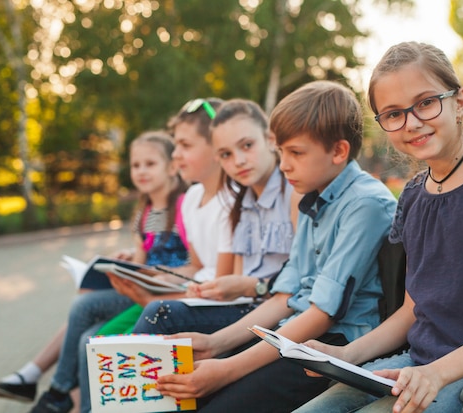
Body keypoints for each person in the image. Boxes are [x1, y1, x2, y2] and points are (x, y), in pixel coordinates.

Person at [292, 41, 463, 413]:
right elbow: (413, 309)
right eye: (393, 114)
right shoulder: (412, 194)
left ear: (459, 101)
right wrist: (344, 354)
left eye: (426, 102)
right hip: (418, 364)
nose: (411, 122)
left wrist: (437, 374)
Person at [153, 80, 397, 412]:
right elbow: (285, 297)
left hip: (332, 347)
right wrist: (215, 344)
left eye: (295, 153)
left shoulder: (364, 204)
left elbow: (323, 314)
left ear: (339, 151)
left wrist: (227, 369)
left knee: (214, 402)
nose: (283, 165)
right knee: (185, 392)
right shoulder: (314, 197)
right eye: (281, 151)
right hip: (291, 335)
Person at [0, 130, 191, 413]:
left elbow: (196, 259)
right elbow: (144, 258)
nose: (141, 171)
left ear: (171, 166)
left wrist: (156, 272)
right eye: (135, 165)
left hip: (165, 290)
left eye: (150, 164)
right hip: (140, 287)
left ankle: (57, 390)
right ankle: (60, 393)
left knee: (83, 307)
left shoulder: (183, 205)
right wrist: (127, 261)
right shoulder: (144, 211)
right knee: (87, 337)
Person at [74, 98, 235, 413]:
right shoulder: (191, 201)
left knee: (140, 319)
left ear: (216, 146)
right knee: (92, 340)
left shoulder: (230, 202)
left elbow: (224, 283)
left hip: (200, 301)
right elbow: (199, 267)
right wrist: (152, 278)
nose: (175, 155)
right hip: (182, 292)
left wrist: (153, 292)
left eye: (184, 145)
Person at [131, 98, 300, 336]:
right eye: (226, 154)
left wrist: (247, 288)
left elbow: (299, 283)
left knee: (159, 315)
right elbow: (236, 278)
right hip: (249, 308)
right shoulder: (243, 200)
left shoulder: (292, 193)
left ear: (270, 139)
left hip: (275, 315)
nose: (238, 161)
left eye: (247, 145)